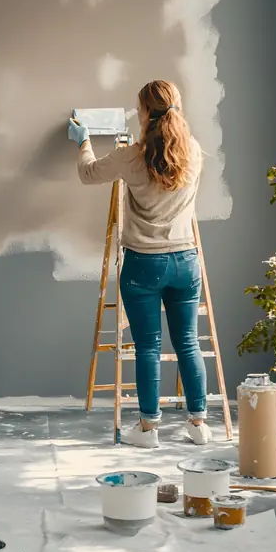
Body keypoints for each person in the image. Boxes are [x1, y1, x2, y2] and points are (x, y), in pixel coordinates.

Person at [68, 80, 211, 448]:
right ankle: (199, 425)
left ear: (145, 113)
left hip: (144, 265)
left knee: (148, 346)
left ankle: (148, 430)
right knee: (188, 344)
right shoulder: (193, 152)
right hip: (185, 261)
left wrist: (83, 140)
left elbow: (87, 174)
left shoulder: (132, 156)